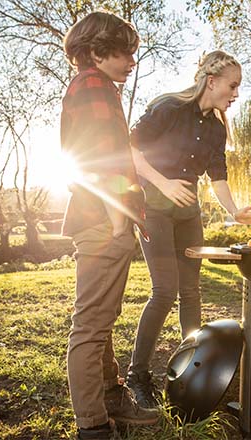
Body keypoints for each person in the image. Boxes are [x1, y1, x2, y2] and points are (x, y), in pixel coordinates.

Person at [125, 50, 251, 407]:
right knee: (165, 290)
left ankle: (192, 369)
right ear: (212, 81)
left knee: (191, 293)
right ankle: (137, 375)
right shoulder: (169, 107)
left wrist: (235, 211)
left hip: (188, 215)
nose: (236, 93)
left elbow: (217, 176)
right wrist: (163, 183)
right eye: (233, 85)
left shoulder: (217, 127)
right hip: (154, 210)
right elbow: (129, 148)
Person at [60, 11, 160, 440]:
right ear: (98, 52)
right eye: (125, 52)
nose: (132, 61)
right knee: (90, 325)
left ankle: (111, 395)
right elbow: (98, 160)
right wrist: (120, 220)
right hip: (104, 222)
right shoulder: (95, 88)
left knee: (100, 318)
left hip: (101, 220)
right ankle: (94, 426)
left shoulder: (89, 87)